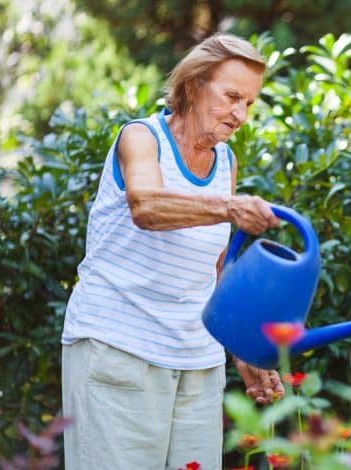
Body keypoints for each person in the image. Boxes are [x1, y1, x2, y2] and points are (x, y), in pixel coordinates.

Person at [61, 33, 285, 469]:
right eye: (232, 97)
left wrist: (239, 347)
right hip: (118, 350)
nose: (240, 115)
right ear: (193, 85)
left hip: (196, 361)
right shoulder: (141, 138)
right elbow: (146, 206)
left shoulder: (225, 162)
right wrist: (228, 208)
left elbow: (215, 269)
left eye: (249, 103)